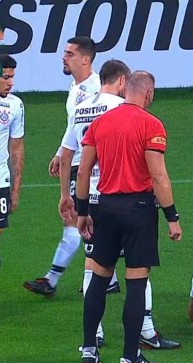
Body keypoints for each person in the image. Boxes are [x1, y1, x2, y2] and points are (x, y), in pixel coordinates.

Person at [57, 59, 180, 349]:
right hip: (138, 209)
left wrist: (83, 212)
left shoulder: (98, 120)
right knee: (136, 282)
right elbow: (158, 175)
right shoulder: (151, 124)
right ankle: (132, 355)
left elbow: (83, 170)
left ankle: (89, 347)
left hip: (104, 208)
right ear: (148, 94)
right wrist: (172, 217)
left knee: (98, 278)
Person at [24, 36, 108, 295]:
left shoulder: (96, 88)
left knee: (76, 219)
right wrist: (61, 153)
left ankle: (51, 280)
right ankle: (108, 276)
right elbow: (74, 126)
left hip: (90, 165)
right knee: (86, 220)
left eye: (70, 53)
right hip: (78, 161)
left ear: (85, 59)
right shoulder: (75, 88)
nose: (64, 57)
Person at [0, 55, 25, 246]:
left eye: (12, 77)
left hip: (1, 178)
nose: (11, 83)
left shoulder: (15, 105)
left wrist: (15, 190)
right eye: (6, 78)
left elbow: (17, 148)